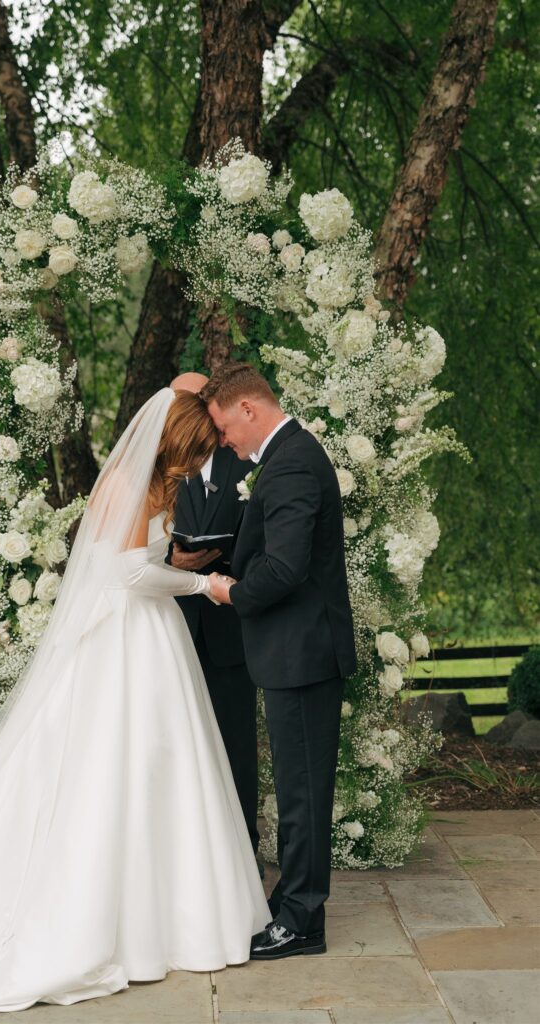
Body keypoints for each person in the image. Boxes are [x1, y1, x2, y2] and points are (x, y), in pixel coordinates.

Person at [0, 388, 270, 1024]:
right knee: (119, 764)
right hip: (127, 637)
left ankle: (173, 915)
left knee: (164, 766)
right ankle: (117, 922)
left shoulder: (157, 484)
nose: (199, 464)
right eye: (194, 451)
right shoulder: (129, 485)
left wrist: (182, 561)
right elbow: (126, 574)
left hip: (152, 634)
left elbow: (141, 557)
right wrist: (201, 583)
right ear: (172, 444)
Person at [203, 362, 357, 961]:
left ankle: (301, 919)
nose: (224, 441)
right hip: (297, 651)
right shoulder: (289, 454)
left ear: (248, 409)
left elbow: (287, 566)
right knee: (298, 787)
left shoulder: (290, 460)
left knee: (302, 793)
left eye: (223, 428)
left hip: (302, 653)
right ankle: (295, 903)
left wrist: (231, 592)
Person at [167, 372, 259, 855]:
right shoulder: (157, 470)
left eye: (195, 401)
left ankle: (243, 848)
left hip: (228, 631)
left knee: (235, 746)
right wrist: (171, 560)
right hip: (169, 632)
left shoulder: (242, 465)